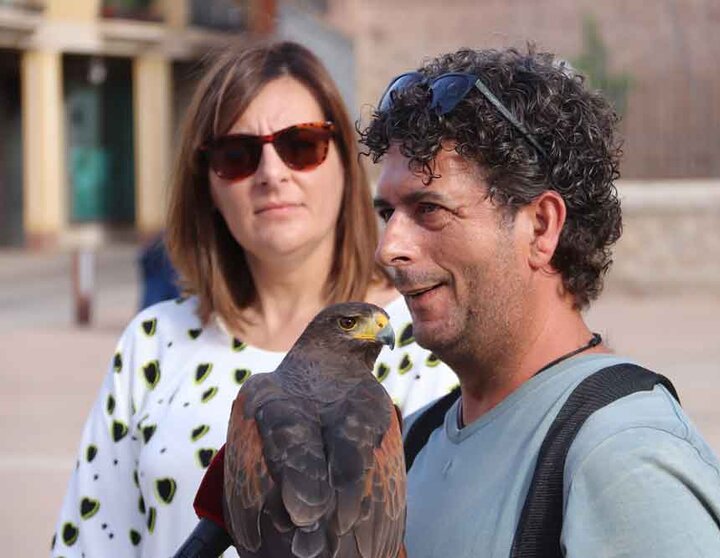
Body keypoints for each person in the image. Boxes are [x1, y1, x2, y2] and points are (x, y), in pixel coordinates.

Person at [50, 41, 457, 558]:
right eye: (237, 155)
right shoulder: (153, 344)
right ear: (207, 186)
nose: (272, 173)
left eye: (302, 145)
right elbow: (89, 543)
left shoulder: (428, 338)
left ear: (346, 166)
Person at [360, 47, 720, 557]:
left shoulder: (623, 458)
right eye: (388, 212)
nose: (390, 247)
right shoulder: (417, 440)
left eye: (429, 209)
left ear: (540, 227)